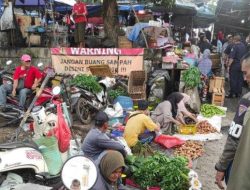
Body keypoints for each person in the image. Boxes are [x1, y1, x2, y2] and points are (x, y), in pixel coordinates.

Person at [215, 52, 250, 190]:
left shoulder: (247, 101)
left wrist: (221, 167)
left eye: (245, 72)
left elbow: (234, 139)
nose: (245, 78)